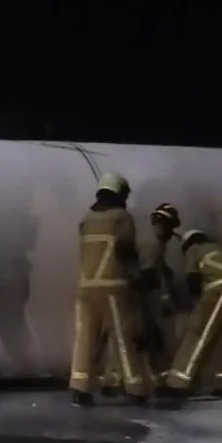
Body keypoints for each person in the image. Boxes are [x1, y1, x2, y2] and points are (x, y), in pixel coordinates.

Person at [69, 171, 152, 407]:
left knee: (85, 338)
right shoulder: (121, 218)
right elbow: (126, 253)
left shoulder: (86, 219)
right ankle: (135, 387)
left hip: (86, 288)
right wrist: (137, 279)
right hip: (114, 286)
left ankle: (79, 386)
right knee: (123, 337)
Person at [158, 227, 222, 404]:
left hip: (220, 289)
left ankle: (178, 383)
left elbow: (192, 279)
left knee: (198, 333)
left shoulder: (196, 249)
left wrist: (194, 303)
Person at [99, 201, 182, 394]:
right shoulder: (153, 242)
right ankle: (154, 381)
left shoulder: (150, 238)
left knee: (126, 337)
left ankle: (113, 379)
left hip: (129, 292)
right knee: (144, 338)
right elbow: (146, 275)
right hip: (138, 296)